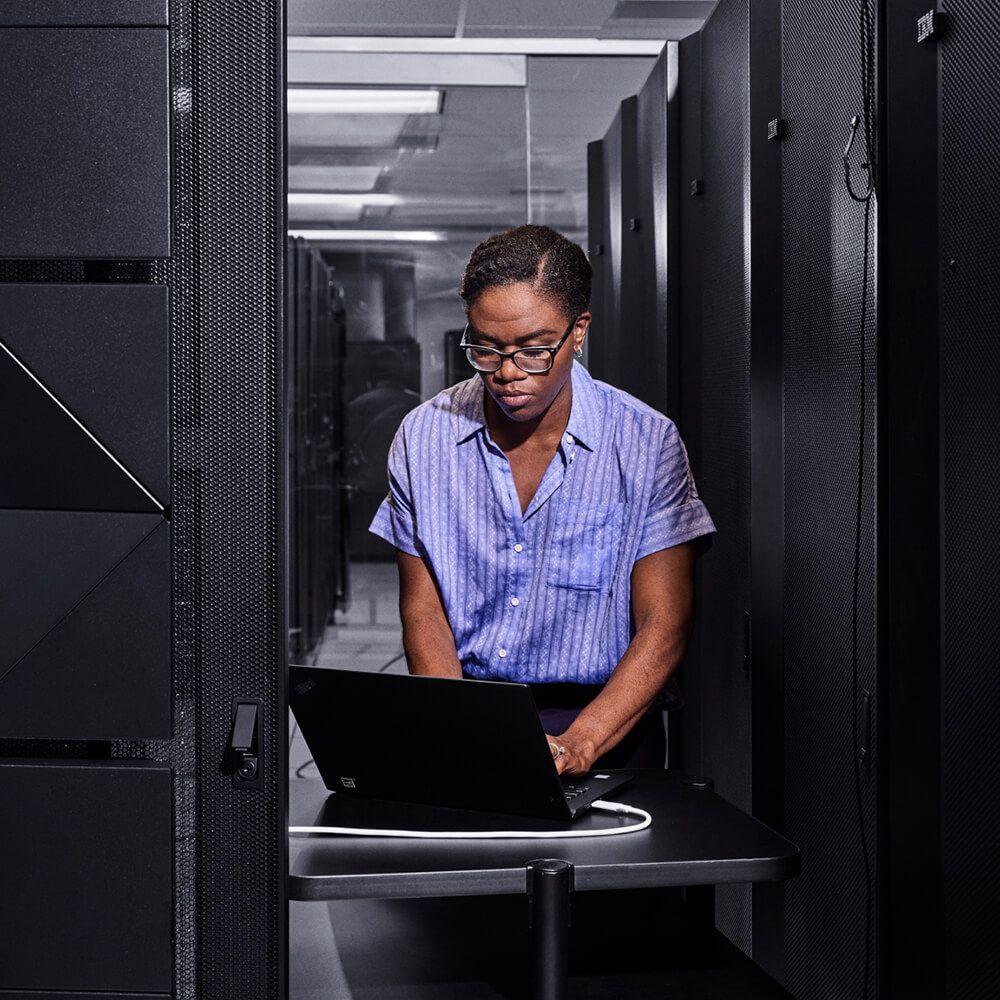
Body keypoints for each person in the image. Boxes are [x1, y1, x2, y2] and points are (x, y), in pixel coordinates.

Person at [369, 224, 716, 775]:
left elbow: (664, 622)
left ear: (578, 331)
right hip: (469, 709)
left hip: (607, 722)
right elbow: (423, 608)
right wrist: (461, 724)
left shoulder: (646, 442)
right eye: (485, 348)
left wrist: (583, 742)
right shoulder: (423, 437)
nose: (507, 372)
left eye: (533, 351)